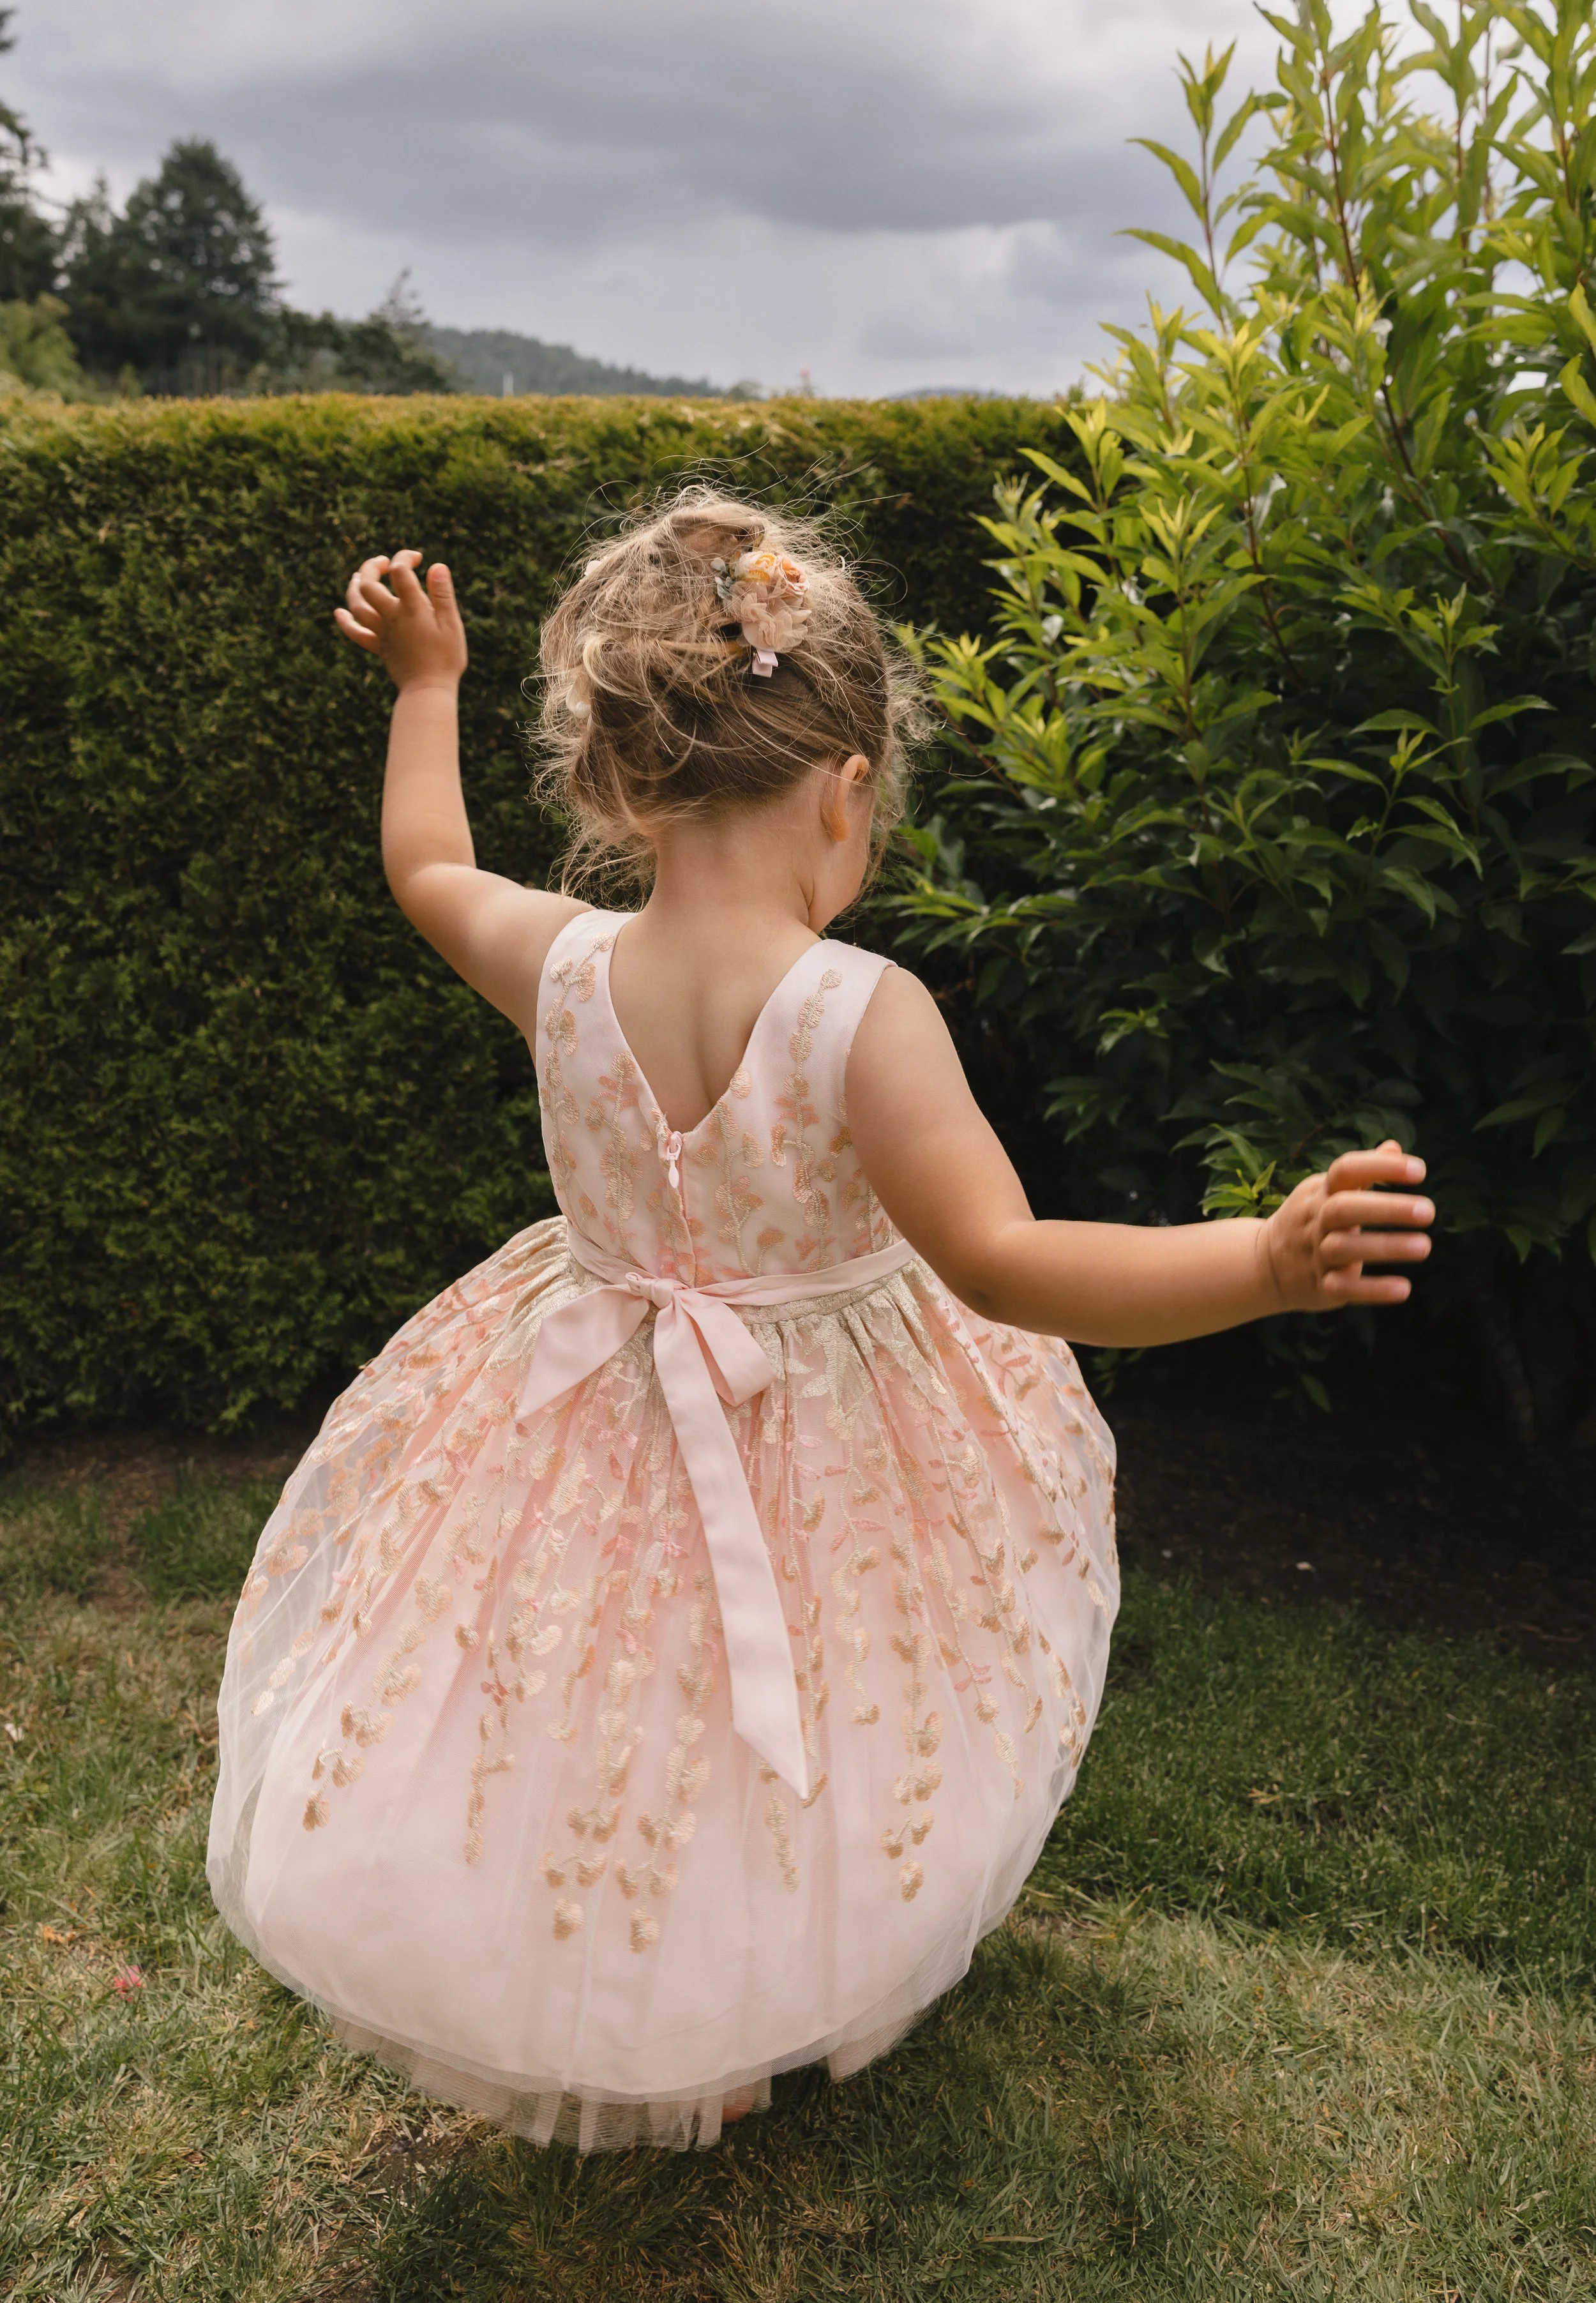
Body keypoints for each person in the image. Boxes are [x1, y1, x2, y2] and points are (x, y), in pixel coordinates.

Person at [206, 490, 1434, 2153]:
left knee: (612, 1700)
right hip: (834, 1442)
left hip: (585, 1411)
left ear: (623, 778)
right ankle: (763, 1984)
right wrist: (1258, 1262)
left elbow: (424, 862)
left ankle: (661, 2001)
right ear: (847, 793)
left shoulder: (562, 965)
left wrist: (427, 684)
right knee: (824, 1700)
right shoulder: (862, 1013)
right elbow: (1000, 1264)